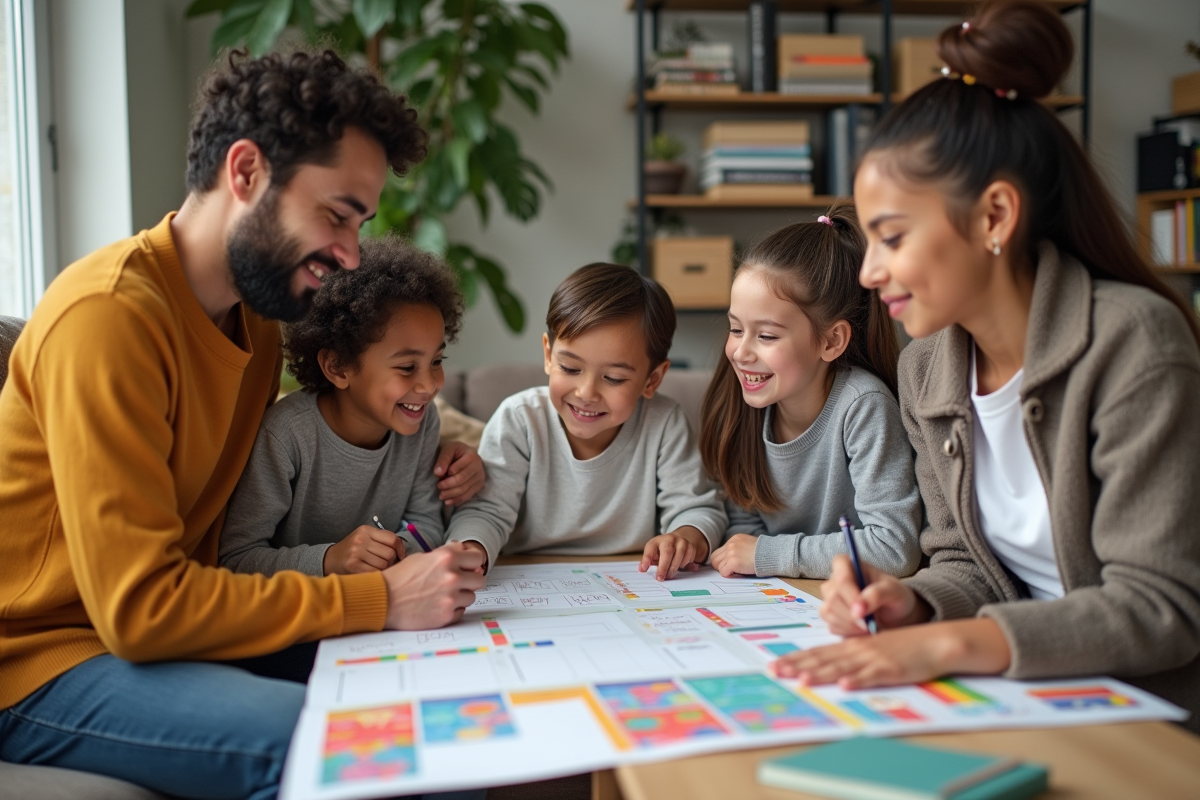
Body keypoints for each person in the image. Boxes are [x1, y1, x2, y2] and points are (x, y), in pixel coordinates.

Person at [0, 49, 486, 798]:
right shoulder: (107, 320)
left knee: (450, 708)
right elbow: (139, 612)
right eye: (336, 215)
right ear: (247, 172)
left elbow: (336, 419)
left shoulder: (257, 323)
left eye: (360, 224)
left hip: (178, 635)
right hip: (43, 659)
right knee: (362, 747)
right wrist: (382, 599)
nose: (350, 254)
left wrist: (455, 449)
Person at [774, 0, 1200, 732]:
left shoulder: (1135, 345)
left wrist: (944, 643)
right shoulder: (927, 369)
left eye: (892, 237)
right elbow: (966, 564)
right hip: (1011, 697)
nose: (870, 273)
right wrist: (911, 601)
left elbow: (1159, 607)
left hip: (1142, 721)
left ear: (995, 217)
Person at [446, 263, 727, 579]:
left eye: (614, 378)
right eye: (569, 368)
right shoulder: (520, 418)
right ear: (549, 356)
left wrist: (686, 538)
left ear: (653, 379)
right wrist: (472, 549)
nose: (586, 392)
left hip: (635, 578)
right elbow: (486, 511)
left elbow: (697, 509)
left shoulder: (665, 423)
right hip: (526, 573)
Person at [220, 235, 475, 579]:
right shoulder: (285, 437)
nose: (430, 385)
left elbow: (425, 525)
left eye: (437, 360)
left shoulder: (422, 422)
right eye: (406, 367)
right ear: (338, 367)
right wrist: (330, 560)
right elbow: (236, 559)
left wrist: (396, 551)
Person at [702, 208, 922, 580]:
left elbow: (894, 548)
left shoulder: (863, 406)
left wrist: (769, 554)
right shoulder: (745, 400)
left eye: (767, 336)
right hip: (790, 597)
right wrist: (757, 555)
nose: (741, 352)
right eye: (735, 329)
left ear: (831, 341)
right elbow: (740, 530)